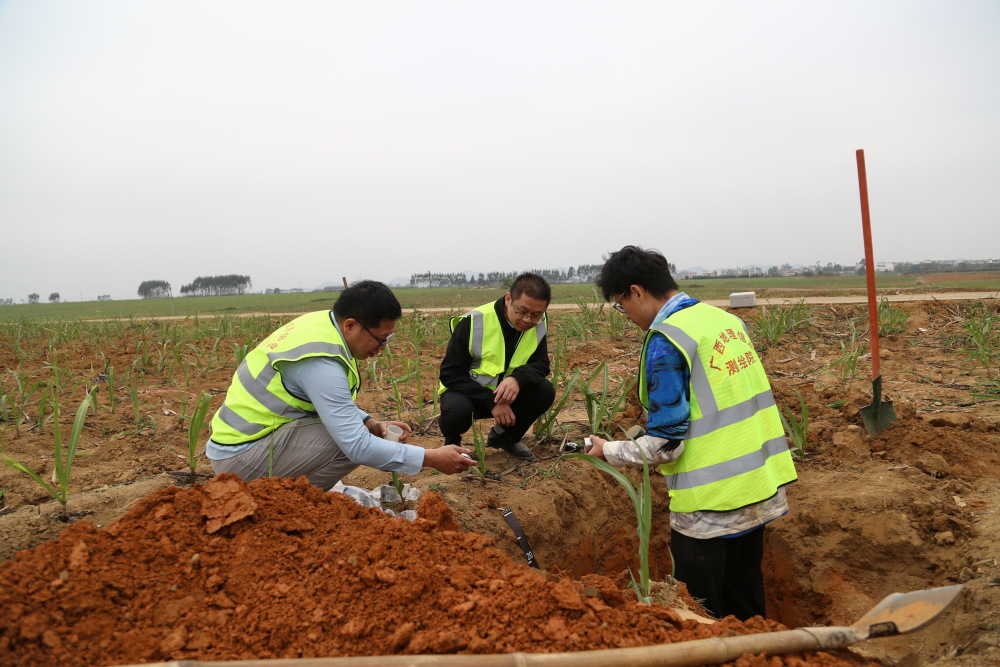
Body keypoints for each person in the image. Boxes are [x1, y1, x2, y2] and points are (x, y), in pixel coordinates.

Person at [586, 246, 797, 621]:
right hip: (759, 487)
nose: (627, 316)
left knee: (700, 613)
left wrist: (611, 450)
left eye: (622, 305)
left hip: (710, 505)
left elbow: (667, 444)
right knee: (746, 601)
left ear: (636, 291)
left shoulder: (668, 339)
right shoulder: (724, 322)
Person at [207, 280, 476, 489]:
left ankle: (294, 495)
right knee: (349, 444)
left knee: (359, 432)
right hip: (241, 457)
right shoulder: (320, 362)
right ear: (351, 325)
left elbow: (323, 400)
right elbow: (356, 445)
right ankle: (289, 502)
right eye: (380, 338)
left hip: (251, 439)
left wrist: (371, 422)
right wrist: (430, 457)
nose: (382, 348)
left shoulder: (322, 324)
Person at [438, 273, 556, 460]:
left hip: (508, 395)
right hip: (470, 394)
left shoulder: (538, 324)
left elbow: (540, 363)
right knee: (456, 411)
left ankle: (506, 437)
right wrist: (491, 402)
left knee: (544, 390)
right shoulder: (474, 322)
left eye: (536, 314)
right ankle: (452, 445)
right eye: (522, 311)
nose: (527, 319)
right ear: (508, 299)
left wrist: (517, 379)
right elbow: (450, 373)